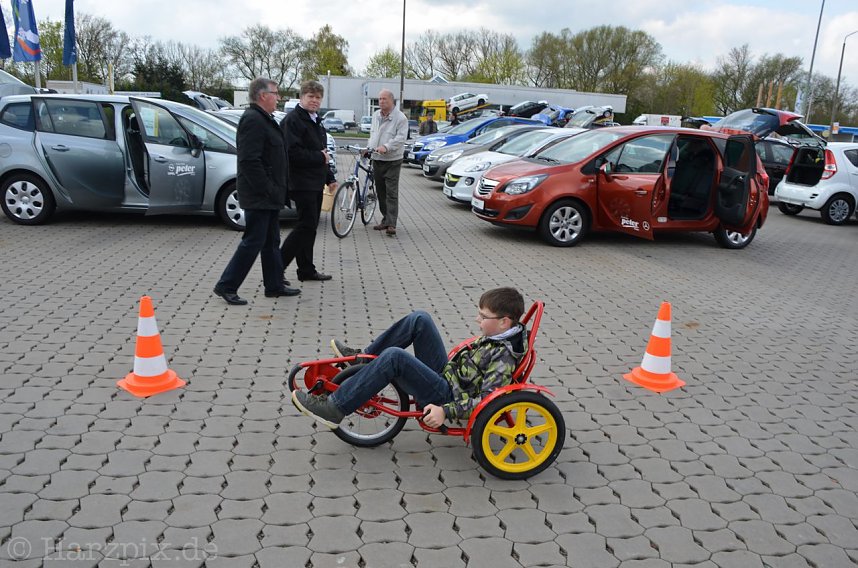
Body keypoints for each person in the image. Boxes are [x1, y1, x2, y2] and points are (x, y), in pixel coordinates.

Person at [292, 287, 527, 430]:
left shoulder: (503, 356)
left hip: (445, 396)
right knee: (420, 319)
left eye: (483, 316)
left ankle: (335, 408)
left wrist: (446, 411)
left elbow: (488, 400)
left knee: (395, 357)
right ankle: (363, 362)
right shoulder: (498, 334)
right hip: (447, 377)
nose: (477, 319)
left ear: (504, 322)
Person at [213, 77, 299, 306]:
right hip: (259, 195)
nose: (278, 98)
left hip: (269, 195)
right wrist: (268, 189)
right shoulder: (253, 120)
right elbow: (250, 161)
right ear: (263, 95)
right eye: (276, 93)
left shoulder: (265, 119)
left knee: (271, 241)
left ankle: (274, 285)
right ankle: (227, 285)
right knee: (253, 240)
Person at [279, 80, 338, 282]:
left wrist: (330, 177)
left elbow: (324, 153)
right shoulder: (293, 120)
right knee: (305, 226)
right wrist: (319, 158)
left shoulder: (316, 120)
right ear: (301, 97)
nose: (314, 100)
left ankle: (306, 270)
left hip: (315, 182)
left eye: (318, 97)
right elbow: (291, 153)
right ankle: (277, 266)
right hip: (300, 182)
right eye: (310, 96)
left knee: (309, 228)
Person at [365, 89, 408, 236]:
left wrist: (386, 147)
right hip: (377, 159)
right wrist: (368, 148)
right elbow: (373, 135)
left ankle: (391, 224)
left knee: (391, 192)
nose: (381, 101)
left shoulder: (400, 118)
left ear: (392, 101)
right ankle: (385, 219)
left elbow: (400, 139)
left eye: (384, 99)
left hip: (392, 160)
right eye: (379, 99)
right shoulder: (376, 115)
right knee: (381, 191)